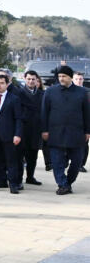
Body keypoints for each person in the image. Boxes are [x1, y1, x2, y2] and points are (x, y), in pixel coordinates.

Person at [41, 65, 90, 195]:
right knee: (57, 162)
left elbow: (86, 113)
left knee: (77, 162)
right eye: (60, 76)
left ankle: (67, 183)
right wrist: (44, 130)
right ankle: (63, 185)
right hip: (55, 132)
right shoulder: (50, 91)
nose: (61, 79)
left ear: (71, 77)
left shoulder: (82, 92)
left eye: (64, 76)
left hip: (76, 133)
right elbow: (44, 112)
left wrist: (87, 131)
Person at [19, 70, 45, 185]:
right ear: (25, 79)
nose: (31, 81)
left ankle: (30, 177)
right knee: (20, 156)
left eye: (33, 79)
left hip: (35, 129)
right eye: (28, 79)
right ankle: (18, 179)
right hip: (22, 129)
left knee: (33, 156)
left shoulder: (42, 94)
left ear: (37, 80)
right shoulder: (19, 93)